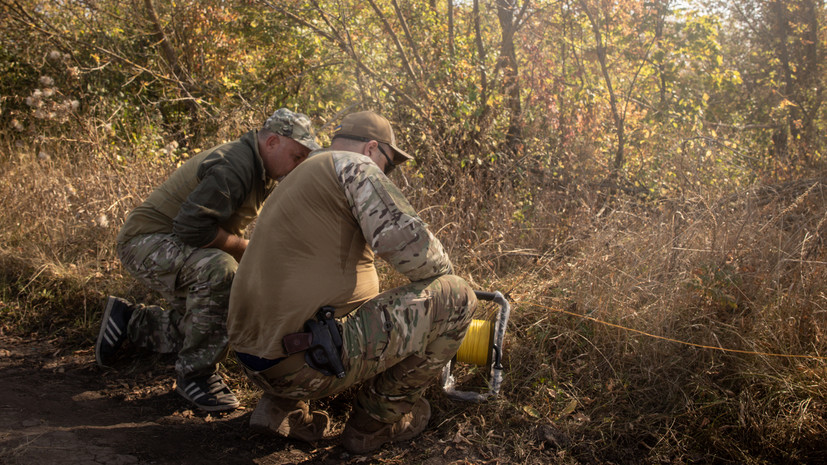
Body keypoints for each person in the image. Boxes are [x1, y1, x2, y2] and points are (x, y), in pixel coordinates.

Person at [227, 110, 477, 453]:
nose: (387, 174)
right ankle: (373, 424)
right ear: (373, 149)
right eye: (388, 165)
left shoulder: (302, 175)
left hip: (251, 358)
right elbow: (418, 256)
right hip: (301, 364)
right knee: (458, 297)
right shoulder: (355, 167)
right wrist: (444, 296)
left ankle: (278, 409)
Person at [95, 108, 320, 412]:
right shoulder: (235, 165)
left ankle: (129, 324)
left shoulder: (260, 168)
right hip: (145, 243)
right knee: (221, 271)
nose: (299, 165)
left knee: (221, 304)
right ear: (272, 143)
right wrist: (248, 250)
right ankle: (195, 375)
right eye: (297, 156)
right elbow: (192, 228)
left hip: (171, 243)